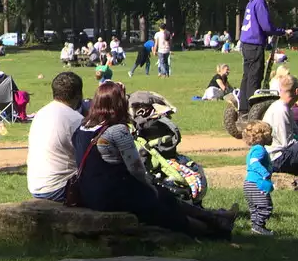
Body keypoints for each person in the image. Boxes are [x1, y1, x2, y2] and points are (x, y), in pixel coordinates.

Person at [70, 81, 232, 238]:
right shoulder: (117, 131)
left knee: (164, 196)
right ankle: (213, 229)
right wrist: (150, 187)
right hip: (111, 195)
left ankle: (215, 218)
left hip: (88, 193)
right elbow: (137, 168)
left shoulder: (82, 127)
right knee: (163, 206)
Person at [28, 72, 85, 201]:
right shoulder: (76, 119)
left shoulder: (41, 113)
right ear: (78, 95)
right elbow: (88, 160)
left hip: (36, 186)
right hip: (60, 189)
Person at [259, 75, 298, 189]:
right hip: (277, 159)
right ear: (297, 91)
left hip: (281, 155)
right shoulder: (281, 110)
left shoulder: (285, 108)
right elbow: (285, 143)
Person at [238, 0, 285, 113]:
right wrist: (281, 31)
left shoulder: (251, 2)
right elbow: (266, 27)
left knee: (247, 76)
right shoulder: (259, 2)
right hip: (254, 44)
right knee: (254, 76)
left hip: (246, 44)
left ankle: (243, 109)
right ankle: (253, 109)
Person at [242, 119, 275, 237]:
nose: (272, 137)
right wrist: (265, 173)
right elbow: (254, 162)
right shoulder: (259, 149)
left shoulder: (254, 149)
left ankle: (256, 228)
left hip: (248, 183)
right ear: (263, 136)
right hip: (257, 183)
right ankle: (259, 226)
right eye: (269, 134)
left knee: (255, 208)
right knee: (265, 207)